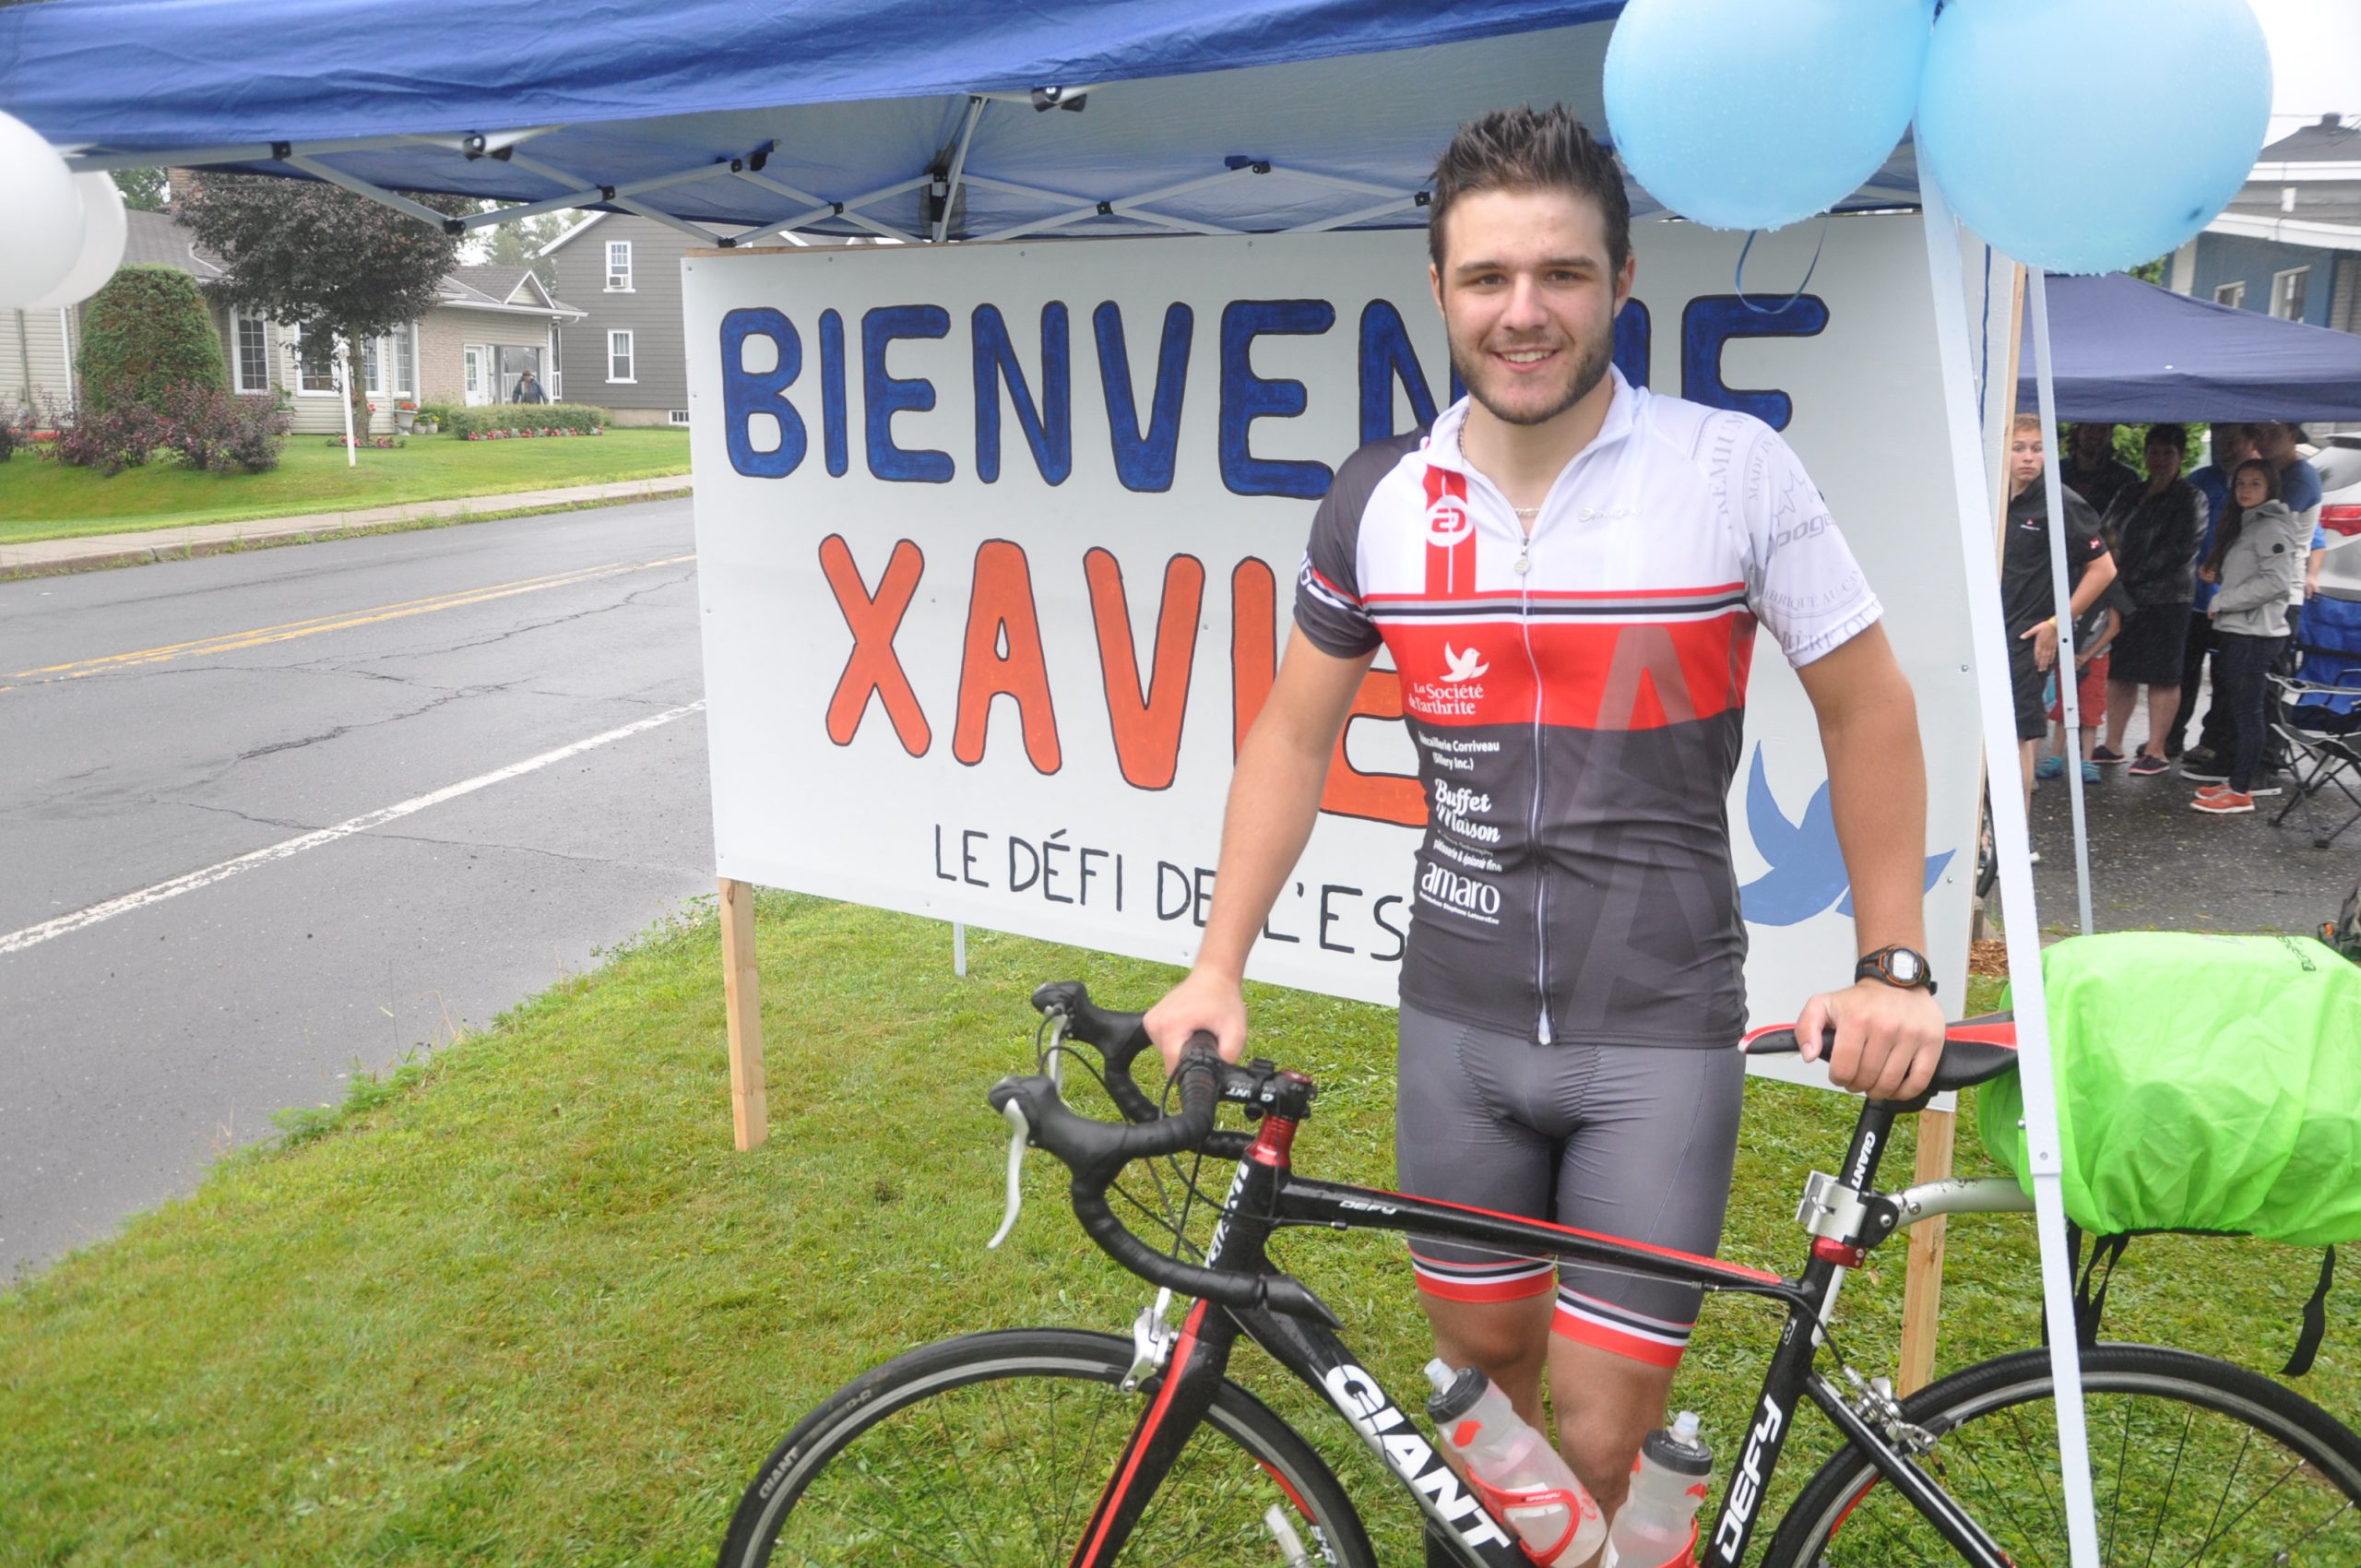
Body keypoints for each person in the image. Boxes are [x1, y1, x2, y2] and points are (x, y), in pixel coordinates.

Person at [1142, 105, 1946, 1539]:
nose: (1524, 311)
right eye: (1488, 278)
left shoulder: (1728, 471)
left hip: (1656, 1030)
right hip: (1457, 1024)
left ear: (1621, 282)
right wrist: (1217, 963)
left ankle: (1627, 1525)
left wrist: (1892, 962)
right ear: (1441, 291)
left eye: (1562, 274)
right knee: (1481, 1386)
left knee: (1599, 1423)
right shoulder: (1380, 497)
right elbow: (1292, 734)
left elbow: (1868, 706)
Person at [2000, 414, 2118, 820]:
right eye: (2019, 448)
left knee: (2017, 738)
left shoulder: (2061, 501)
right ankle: (1983, 836)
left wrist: (2056, 624)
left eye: (2037, 449)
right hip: (1985, 632)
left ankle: (2015, 838)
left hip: (2026, 637)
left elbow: (2103, 570)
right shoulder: (1991, 496)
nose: (2027, 457)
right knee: (1980, 735)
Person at [2193, 459, 2308, 814]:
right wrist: (2219, 576)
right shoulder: (2249, 523)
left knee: (2248, 713)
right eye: (2241, 483)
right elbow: (2253, 573)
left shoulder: (2271, 526)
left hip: (2255, 634)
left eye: (2255, 483)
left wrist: (2224, 600)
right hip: (2240, 629)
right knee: (2240, 710)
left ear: (2271, 487)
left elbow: (2276, 583)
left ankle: (2242, 789)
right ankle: (2236, 781)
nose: (2245, 489)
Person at [2094, 425, 2206, 776]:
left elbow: (2181, 547)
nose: (2159, 460)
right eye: (2154, 452)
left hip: (2168, 597)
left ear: (2180, 457)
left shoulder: (2191, 497)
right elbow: (2106, 531)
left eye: (2167, 453)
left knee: (2163, 675)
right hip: (2124, 594)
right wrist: (2109, 572)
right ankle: (2113, 744)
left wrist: (2131, 574)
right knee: (2120, 671)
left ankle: (2156, 749)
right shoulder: (2130, 491)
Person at [2170, 422, 2255, 768]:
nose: (2224, 447)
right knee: (2183, 671)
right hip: (2193, 594)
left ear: (2249, 441)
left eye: (2232, 440)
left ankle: (2212, 742)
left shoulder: (2257, 482)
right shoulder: (2200, 479)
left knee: (2224, 676)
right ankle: (2171, 735)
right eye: (2219, 439)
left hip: (2231, 599)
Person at [2038, 575, 2129, 785]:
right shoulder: (2069, 582)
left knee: (2090, 710)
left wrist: (2087, 655)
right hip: (2066, 656)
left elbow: (2114, 627)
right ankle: (2055, 757)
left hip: (2096, 657)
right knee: (2063, 707)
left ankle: (2086, 761)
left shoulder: (2110, 587)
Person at [2060, 421, 2141, 516]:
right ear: (2078, 432)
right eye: (2089, 429)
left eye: (2102, 430)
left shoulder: (2125, 477)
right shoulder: (2057, 471)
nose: (2095, 435)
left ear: (2110, 436)